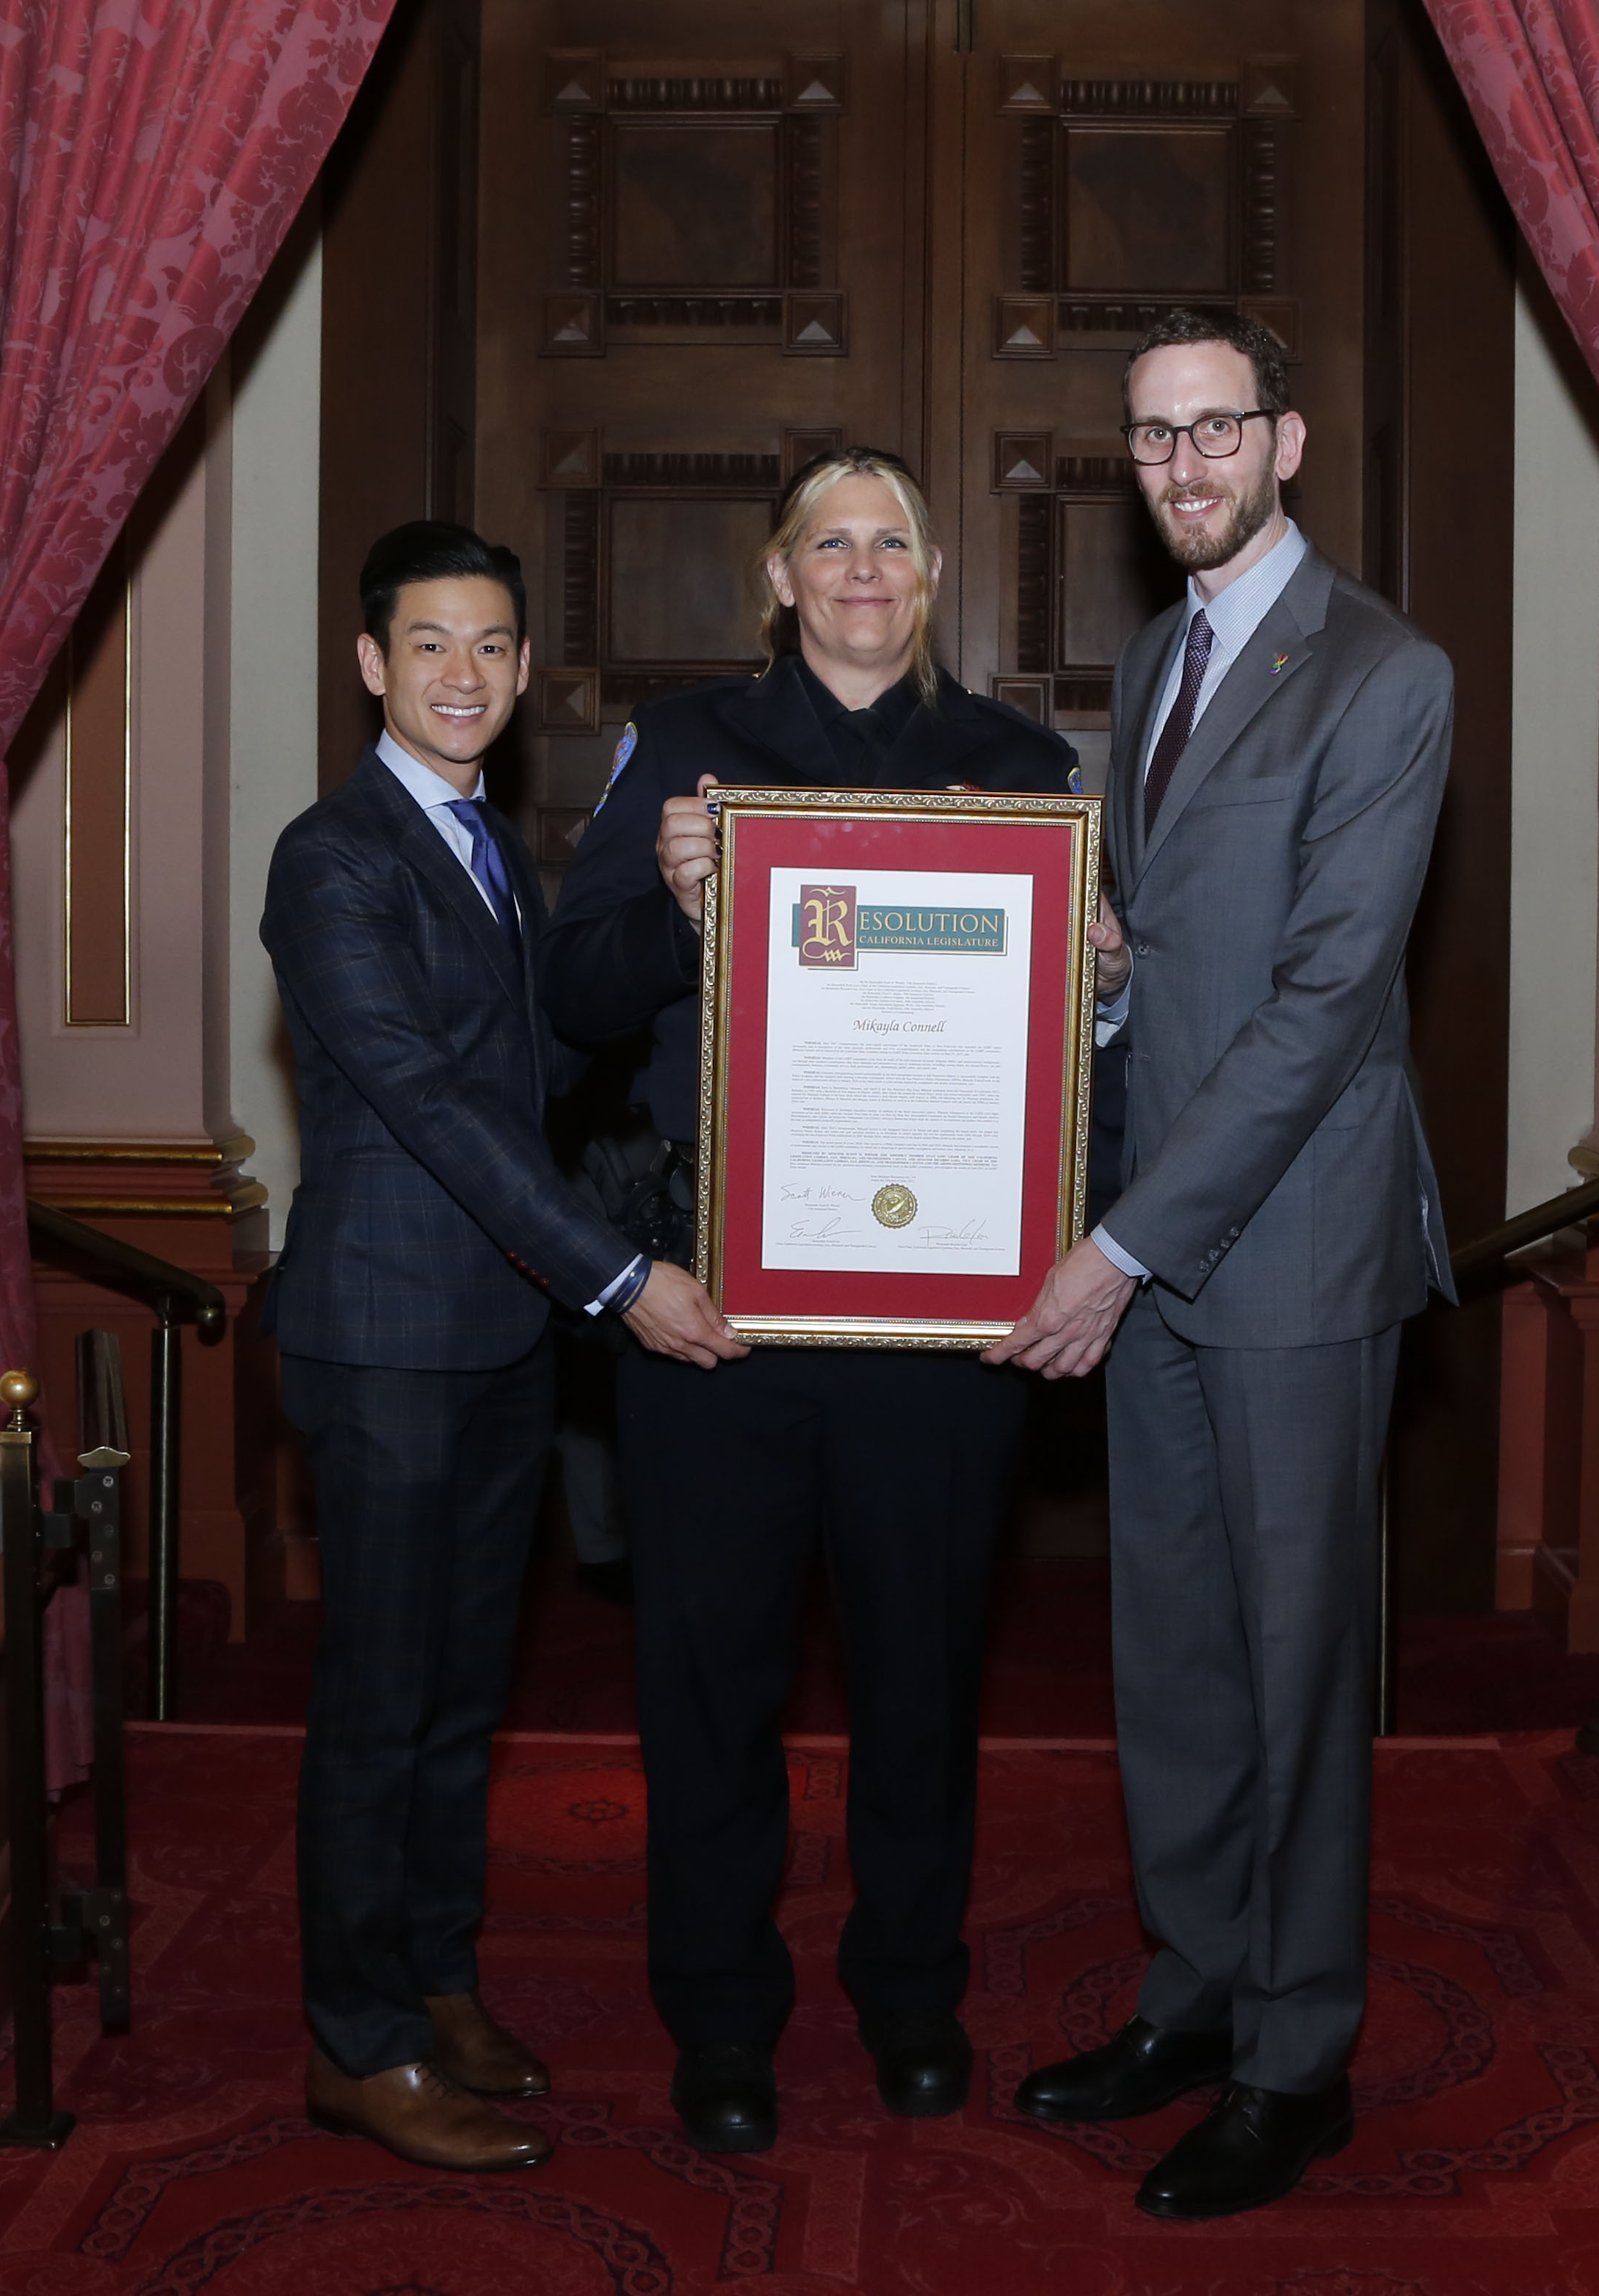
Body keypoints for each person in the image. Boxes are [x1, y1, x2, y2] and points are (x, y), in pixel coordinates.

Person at [543, 447, 1087, 2154]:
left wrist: (1110, 971)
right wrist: (672, 903)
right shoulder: (686, 752)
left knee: (922, 1674)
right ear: (778, 576)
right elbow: (571, 995)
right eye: (829, 542)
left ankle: (910, 1987)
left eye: (892, 542)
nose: (863, 568)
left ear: (931, 575)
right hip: (723, 1309)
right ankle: (719, 2013)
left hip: (939, 1328)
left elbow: (1072, 1058)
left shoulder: (1018, 769)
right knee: (708, 1683)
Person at [988, 309, 1454, 2220]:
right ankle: (1193, 1992)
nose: (1176, 467)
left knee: (1290, 1667)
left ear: (1289, 440)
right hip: (1162, 1229)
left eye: (1211, 431)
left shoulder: (1385, 673)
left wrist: (1109, 1246)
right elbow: (1191, 954)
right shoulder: (1159, 652)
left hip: (1285, 1256)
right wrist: (1107, 981)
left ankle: (1295, 2056)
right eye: (1148, 440)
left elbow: (1331, 1002)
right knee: (1167, 1652)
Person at [261, 521, 741, 2174]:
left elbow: (555, 1049)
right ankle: (359, 2042)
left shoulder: (487, 846)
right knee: (378, 1704)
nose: (461, 676)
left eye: (490, 648)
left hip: (496, 1345)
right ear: (370, 665)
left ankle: (436, 1982)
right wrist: (624, 1278)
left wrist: (695, 910)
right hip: (389, 1341)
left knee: (463, 1701)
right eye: (429, 646)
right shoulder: (331, 857)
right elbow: (441, 1110)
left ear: (525, 671)